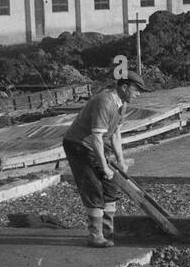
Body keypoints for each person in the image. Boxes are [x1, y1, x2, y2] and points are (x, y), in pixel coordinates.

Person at [61, 71, 145, 247]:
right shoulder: (104, 102)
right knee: (93, 186)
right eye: (136, 90)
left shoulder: (122, 104)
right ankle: (95, 235)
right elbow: (96, 138)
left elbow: (115, 134)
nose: (138, 94)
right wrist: (104, 165)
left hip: (96, 145)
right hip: (79, 144)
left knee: (110, 185)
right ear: (124, 87)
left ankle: (108, 231)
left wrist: (120, 160)